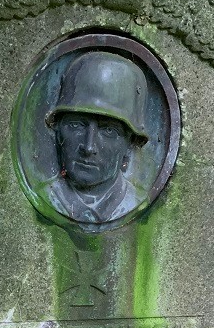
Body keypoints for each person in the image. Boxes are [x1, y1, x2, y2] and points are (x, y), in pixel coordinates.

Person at [46, 51, 150, 225]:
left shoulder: (137, 203)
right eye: (76, 125)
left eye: (108, 131)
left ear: (131, 142)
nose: (89, 147)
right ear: (57, 129)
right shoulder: (46, 196)